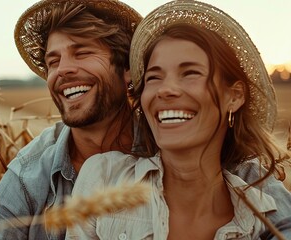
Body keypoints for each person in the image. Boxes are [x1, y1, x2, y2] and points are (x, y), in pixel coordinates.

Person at [67, 1, 291, 239]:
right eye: (154, 77)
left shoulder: (263, 213)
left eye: (190, 73)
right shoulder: (104, 178)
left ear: (234, 96)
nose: (166, 90)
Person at [0, 0, 142, 239]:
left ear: (126, 66)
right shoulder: (26, 176)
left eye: (82, 53)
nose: (62, 70)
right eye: (53, 62)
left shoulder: (171, 152)